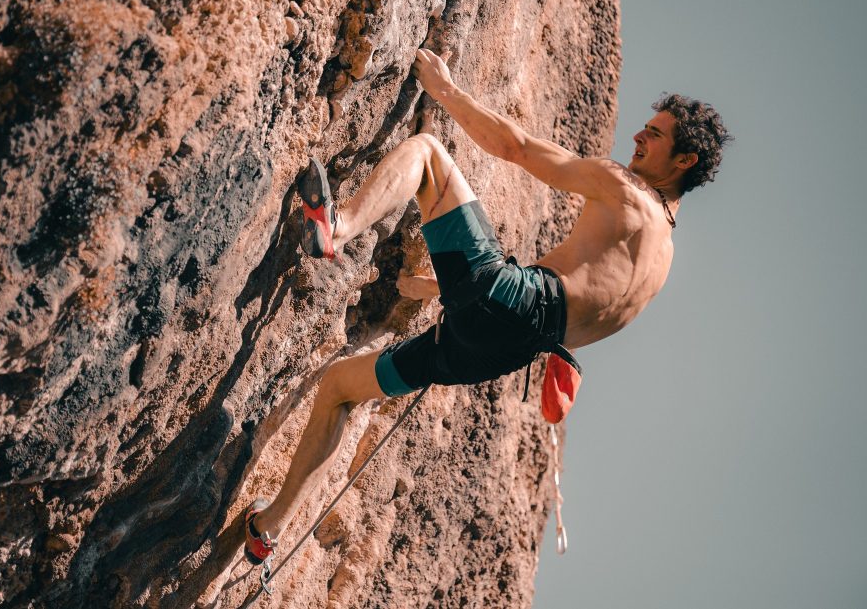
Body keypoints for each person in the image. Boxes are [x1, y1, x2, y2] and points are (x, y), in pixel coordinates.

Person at [244, 48, 732, 565]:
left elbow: (518, 148)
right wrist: (448, 292)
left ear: (684, 161)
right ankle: (266, 528)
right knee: (340, 388)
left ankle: (334, 228)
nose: (639, 136)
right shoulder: (661, 264)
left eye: (655, 135)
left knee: (429, 152)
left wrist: (445, 90)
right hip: (498, 352)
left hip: (513, 300)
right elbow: (569, 310)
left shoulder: (628, 192)